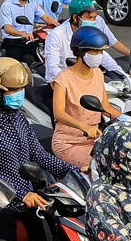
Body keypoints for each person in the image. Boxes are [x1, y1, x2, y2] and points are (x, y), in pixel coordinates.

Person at [0, 57, 73, 241]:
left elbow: (39, 155)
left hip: (27, 199)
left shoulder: (19, 118)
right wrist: (22, 194)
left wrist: (72, 172)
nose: (18, 94)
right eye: (13, 90)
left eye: (21, 89)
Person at [51, 25, 119, 172]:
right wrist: (85, 127)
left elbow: (106, 108)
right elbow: (58, 113)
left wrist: (130, 120)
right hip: (68, 143)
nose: (99, 55)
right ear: (81, 51)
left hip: (94, 140)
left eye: (101, 51)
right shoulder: (63, 79)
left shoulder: (98, 73)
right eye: (95, 51)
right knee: (106, 166)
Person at [41, 0, 121, 82]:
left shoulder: (89, 33)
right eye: (89, 18)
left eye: (94, 18)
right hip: (62, 83)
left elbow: (102, 55)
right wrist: (72, 83)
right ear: (75, 18)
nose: (93, 22)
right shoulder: (56, 35)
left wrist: (120, 73)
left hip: (86, 80)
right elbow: (53, 69)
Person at [0, 0, 49, 66]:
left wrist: (61, 25)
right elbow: (7, 28)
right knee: (13, 67)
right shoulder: (7, 5)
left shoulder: (32, 2)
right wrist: (23, 34)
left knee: (43, 59)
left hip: (29, 42)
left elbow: (46, 17)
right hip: (12, 42)